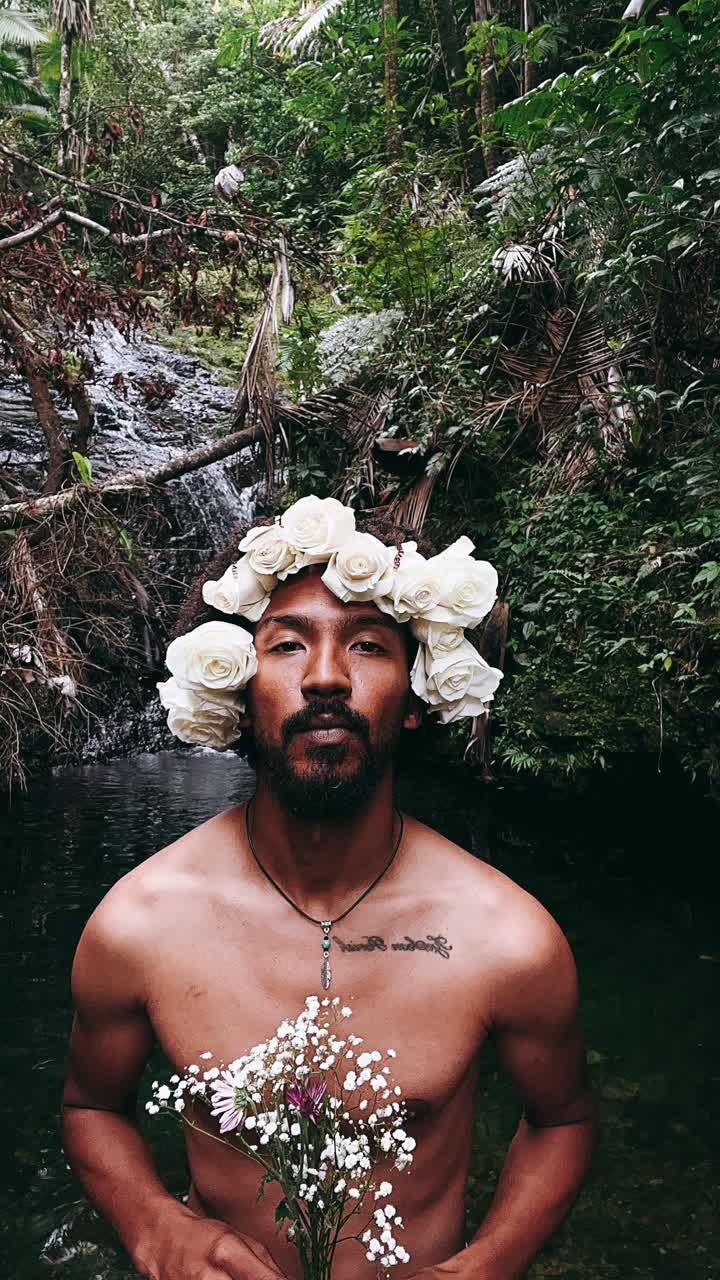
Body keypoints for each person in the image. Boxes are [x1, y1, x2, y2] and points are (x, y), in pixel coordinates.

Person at [61, 498, 597, 1280]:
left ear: (414, 700)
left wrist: (489, 1261)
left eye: (369, 646)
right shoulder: (139, 925)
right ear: (240, 691)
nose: (324, 677)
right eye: (286, 645)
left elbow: (564, 1120)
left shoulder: (505, 938)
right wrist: (153, 1224)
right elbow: (90, 1107)